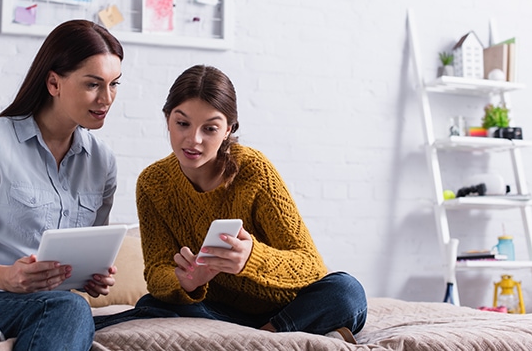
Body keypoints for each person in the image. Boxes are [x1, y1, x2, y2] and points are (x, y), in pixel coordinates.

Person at [95, 65, 367, 342]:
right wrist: (186, 282)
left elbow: (310, 266)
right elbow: (157, 272)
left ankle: (267, 335)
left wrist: (251, 258)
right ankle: (277, 336)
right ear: (168, 120)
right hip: (217, 310)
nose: (194, 140)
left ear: (228, 129)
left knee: (347, 292)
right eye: (182, 123)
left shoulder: (254, 171)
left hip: (286, 306)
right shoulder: (153, 183)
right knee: (153, 303)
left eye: (210, 128)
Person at [0, 19, 124, 350]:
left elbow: (87, 251)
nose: (106, 98)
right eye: (93, 84)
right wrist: (6, 278)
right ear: (53, 83)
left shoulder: (102, 162)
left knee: (74, 308)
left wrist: (94, 277)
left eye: (115, 84)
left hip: (49, 309)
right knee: (72, 309)